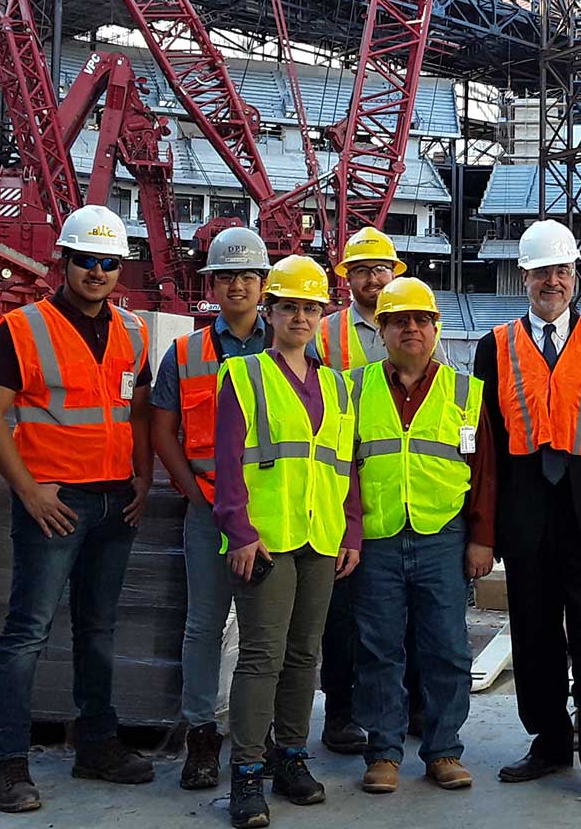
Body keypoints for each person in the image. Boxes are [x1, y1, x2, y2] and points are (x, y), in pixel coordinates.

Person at [0, 204, 155, 813]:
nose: (98, 272)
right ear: (65, 262)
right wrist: (29, 490)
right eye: (86, 261)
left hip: (113, 500)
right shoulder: (22, 329)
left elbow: (140, 411)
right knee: (28, 632)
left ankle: (97, 745)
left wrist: (143, 476)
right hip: (54, 502)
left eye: (108, 262)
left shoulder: (132, 331)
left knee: (99, 629)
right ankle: (10, 764)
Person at [472, 218, 581, 812]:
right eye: (542, 271)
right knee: (534, 637)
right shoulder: (495, 347)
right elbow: (486, 446)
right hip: (527, 517)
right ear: (524, 276)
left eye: (562, 271)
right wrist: (485, 527)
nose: (553, 281)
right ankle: (547, 743)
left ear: (575, 276)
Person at [214, 255, 361, 829]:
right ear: (270, 312)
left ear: (323, 315)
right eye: (289, 307)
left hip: (321, 537)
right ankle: (247, 773)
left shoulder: (337, 386)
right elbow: (228, 464)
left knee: (305, 656)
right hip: (266, 539)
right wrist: (239, 530)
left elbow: (341, 464)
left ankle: (291, 757)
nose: (300, 317)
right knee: (261, 657)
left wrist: (350, 529)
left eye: (310, 307)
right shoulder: (244, 375)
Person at [349, 277, 497, 796]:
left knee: (448, 650)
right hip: (378, 535)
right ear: (382, 330)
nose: (410, 328)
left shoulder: (464, 392)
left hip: (443, 538)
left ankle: (443, 750)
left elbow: (485, 472)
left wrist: (481, 539)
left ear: (436, 328)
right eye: (398, 321)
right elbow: (341, 465)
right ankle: (384, 752)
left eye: (420, 320)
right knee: (379, 649)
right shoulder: (354, 387)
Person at [314, 225, 443, 753]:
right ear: (347, 279)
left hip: (402, 488)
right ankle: (341, 712)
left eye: (380, 269)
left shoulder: (415, 322)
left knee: (405, 616)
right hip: (344, 483)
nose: (372, 278)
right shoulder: (326, 333)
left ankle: (411, 707)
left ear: (395, 274)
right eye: (362, 270)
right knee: (342, 615)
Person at [151, 227, 270, 789]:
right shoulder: (186, 353)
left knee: (265, 628)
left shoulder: (291, 344)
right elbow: (163, 430)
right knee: (202, 624)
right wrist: (193, 491)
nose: (238, 286)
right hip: (207, 506)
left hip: (270, 508)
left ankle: (260, 730)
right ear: (213, 284)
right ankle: (201, 733)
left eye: (248, 276)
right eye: (227, 276)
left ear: (264, 284)